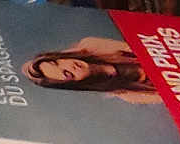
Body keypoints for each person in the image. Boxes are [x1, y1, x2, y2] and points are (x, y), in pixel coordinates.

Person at [22, 36, 163, 105]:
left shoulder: (91, 45)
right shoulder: (129, 94)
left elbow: (146, 50)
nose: (70, 66)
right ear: (75, 83)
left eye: (57, 62)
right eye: (67, 74)